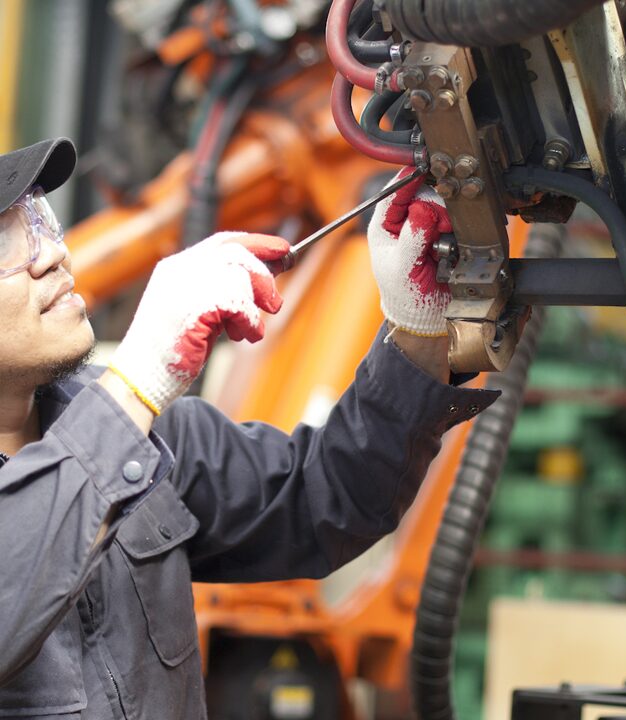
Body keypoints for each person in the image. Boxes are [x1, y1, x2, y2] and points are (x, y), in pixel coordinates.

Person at [0, 138, 497, 718]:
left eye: (42, 223)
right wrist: (134, 384)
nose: (52, 256)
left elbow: (329, 499)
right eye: (8, 245)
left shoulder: (156, 440)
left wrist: (417, 327)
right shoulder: (129, 414)